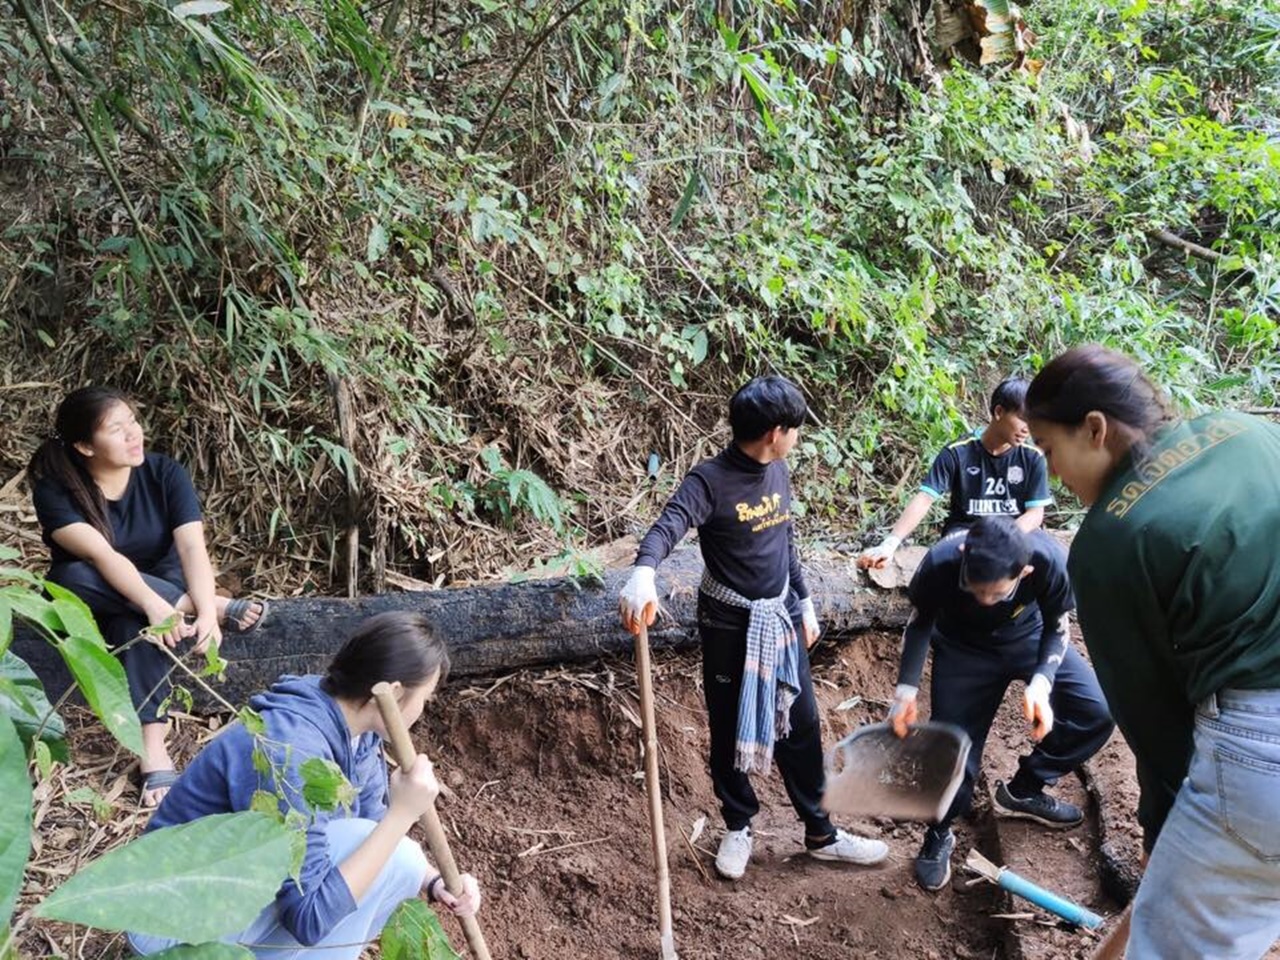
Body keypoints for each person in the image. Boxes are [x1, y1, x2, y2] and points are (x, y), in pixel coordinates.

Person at [1025, 345, 1280, 959]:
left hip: (1259, 754)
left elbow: (1154, 717)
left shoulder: (1111, 540)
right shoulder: (1247, 431)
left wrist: (1162, 829)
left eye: (1051, 451)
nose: (1052, 474)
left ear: (1094, 428)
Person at [618, 375, 889, 880]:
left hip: (780, 618)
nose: (796, 440)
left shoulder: (778, 471)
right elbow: (666, 526)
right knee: (728, 726)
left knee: (801, 722)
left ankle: (821, 834)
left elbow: (786, 543)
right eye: (794, 431)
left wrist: (804, 601)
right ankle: (738, 825)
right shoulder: (710, 480)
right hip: (728, 622)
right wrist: (643, 575)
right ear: (773, 432)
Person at [128, 612, 481, 958]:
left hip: (225, 902)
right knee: (401, 854)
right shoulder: (293, 749)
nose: (424, 708)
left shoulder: (359, 734)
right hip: (167, 926)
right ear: (395, 693)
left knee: (403, 864)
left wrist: (435, 883)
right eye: (426, 698)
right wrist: (402, 815)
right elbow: (308, 919)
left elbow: (370, 835)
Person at [28, 386, 267, 805]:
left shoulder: (163, 473)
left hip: (163, 575)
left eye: (132, 422)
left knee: (134, 625)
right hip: (97, 589)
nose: (133, 434)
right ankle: (197, 602)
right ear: (85, 446)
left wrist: (204, 620)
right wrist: (165, 605)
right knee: (72, 574)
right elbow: (103, 555)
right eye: (116, 429)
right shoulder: (56, 490)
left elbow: (193, 546)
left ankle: (150, 749)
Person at [888, 516, 1113, 891]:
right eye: (976, 591)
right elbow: (920, 621)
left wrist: (1042, 683)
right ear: (964, 555)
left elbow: (1058, 625)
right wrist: (906, 691)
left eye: (997, 593)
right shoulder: (942, 561)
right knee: (954, 750)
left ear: (1024, 573)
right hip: (963, 650)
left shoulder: (1047, 560)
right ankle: (939, 832)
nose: (985, 600)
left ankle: (1025, 789)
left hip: (1028, 634)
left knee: (1096, 712)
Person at [859, 377, 1053, 570]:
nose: (1028, 428)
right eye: (1023, 419)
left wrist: (1002, 539)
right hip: (966, 531)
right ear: (999, 412)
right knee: (947, 561)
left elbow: (1035, 513)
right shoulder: (957, 452)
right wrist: (890, 544)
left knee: (1053, 559)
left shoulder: (1032, 458)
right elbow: (925, 498)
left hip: (1015, 531)